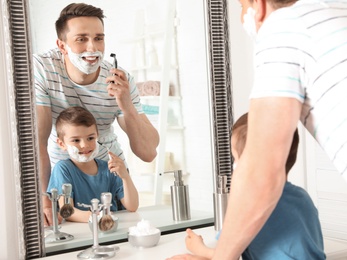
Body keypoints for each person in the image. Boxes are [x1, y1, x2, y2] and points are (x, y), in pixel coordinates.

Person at [172, 0, 347, 259]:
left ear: (259, 5)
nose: (243, 18)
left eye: (242, 6)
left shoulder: (283, 27)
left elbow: (260, 172)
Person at [33, 3, 159, 226]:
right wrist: (44, 200)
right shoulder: (43, 69)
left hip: (109, 174)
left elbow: (148, 152)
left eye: (99, 38)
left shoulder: (120, 78)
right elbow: (37, 142)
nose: (93, 48)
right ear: (62, 45)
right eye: (81, 39)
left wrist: (126, 103)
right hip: (64, 175)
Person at [170, 113, 325, 259]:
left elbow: (226, 255)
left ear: (251, 165)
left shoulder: (251, 205)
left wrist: (198, 248)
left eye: (236, 159)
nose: (234, 167)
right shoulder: (302, 197)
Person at [47, 106, 139, 223]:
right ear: (62, 144)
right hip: (82, 233)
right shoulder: (63, 169)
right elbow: (67, 212)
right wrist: (98, 217)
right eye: (76, 140)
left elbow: (132, 206)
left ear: (97, 136)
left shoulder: (108, 168)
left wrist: (125, 176)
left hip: (111, 231)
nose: (85, 145)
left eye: (90, 138)